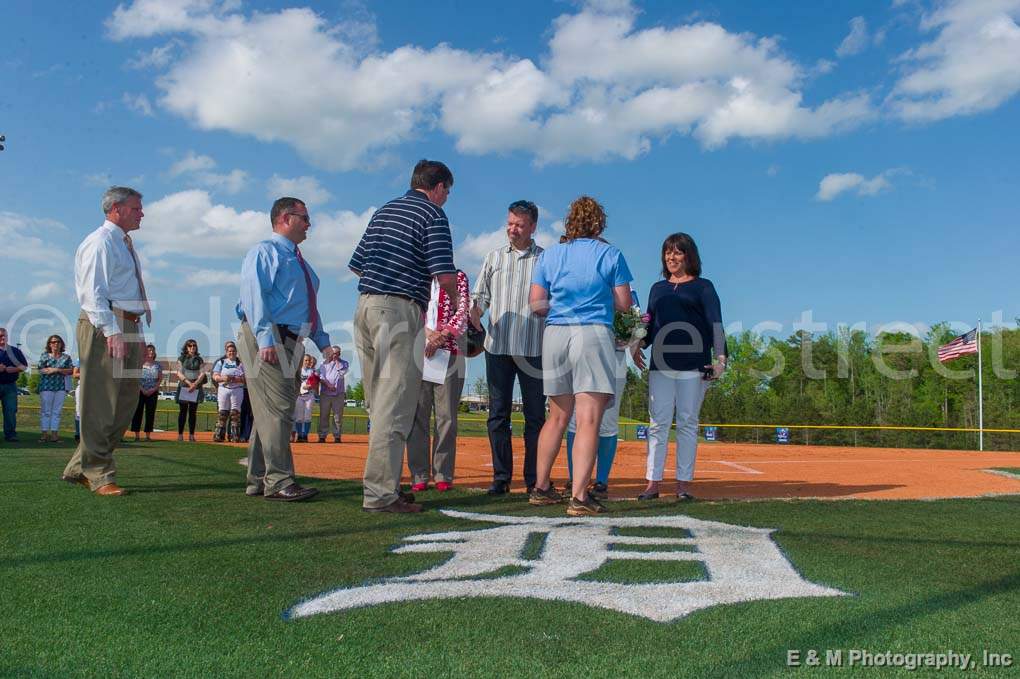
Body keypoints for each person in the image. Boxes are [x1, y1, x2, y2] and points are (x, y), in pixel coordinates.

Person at [348, 159, 459, 513]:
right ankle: (381, 494)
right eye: (447, 192)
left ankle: (387, 483)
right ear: (438, 186)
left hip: (365, 306)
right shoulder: (433, 215)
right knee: (395, 404)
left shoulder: (384, 211)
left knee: (378, 400)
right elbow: (444, 276)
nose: (446, 199)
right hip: (398, 310)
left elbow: (357, 264)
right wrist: (457, 305)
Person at [528, 196, 634, 516]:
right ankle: (579, 497)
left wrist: (562, 306)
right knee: (588, 418)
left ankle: (541, 487)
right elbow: (625, 304)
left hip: (556, 333)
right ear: (599, 223)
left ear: (569, 223)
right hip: (592, 333)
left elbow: (536, 305)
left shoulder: (551, 255)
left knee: (557, 417)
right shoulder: (610, 254)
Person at [236, 196, 333, 502]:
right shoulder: (265, 251)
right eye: (304, 218)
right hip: (271, 338)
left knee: (271, 412)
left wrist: (322, 341)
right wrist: (265, 338)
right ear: (285, 219)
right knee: (278, 412)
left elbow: (307, 308)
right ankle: (278, 481)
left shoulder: (302, 264)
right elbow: (253, 297)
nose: (308, 224)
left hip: (291, 340)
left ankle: (258, 478)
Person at [62, 186, 150, 496]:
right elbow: (92, 292)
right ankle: (99, 473)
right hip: (106, 324)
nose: (142, 213)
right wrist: (112, 330)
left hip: (128, 324)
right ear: (116, 209)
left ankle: (79, 466)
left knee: (124, 403)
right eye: (136, 208)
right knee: (101, 403)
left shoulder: (124, 243)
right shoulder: (100, 242)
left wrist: (131, 330)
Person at [635, 232, 726, 501]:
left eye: (677, 252)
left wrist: (720, 361)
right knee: (657, 423)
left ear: (689, 255)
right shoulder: (657, 288)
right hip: (660, 365)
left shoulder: (704, 287)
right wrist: (636, 342)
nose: (671, 257)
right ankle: (652, 482)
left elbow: (716, 324)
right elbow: (649, 326)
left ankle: (683, 484)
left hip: (694, 364)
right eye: (667, 252)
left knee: (687, 422)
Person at [470, 200, 547, 495]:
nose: (513, 230)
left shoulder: (546, 260)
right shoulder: (493, 258)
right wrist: (475, 313)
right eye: (510, 223)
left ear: (533, 227)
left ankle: (533, 479)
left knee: (535, 417)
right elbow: (480, 297)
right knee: (498, 415)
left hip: (533, 348)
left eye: (519, 225)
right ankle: (501, 478)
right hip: (498, 347)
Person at [407, 268, 470, 492]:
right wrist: (428, 334)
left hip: (451, 353)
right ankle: (419, 474)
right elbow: (412, 310)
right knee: (417, 416)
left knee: (447, 418)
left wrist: (442, 335)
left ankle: (443, 473)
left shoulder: (458, 276)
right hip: (419, 352)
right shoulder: (417, 275)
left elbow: (463, 311)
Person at [564, 346, 628, 498]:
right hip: (582, 354)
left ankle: (601, 483)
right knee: (576, 419)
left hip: (615, 356)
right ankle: (575, 479)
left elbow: (637, 326)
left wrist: (631, 338)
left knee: (608, 421)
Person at [37, 335, 74, 442]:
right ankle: (44, 434)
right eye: (53, 342)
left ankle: (54, 435)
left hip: (61, 387)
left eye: (58, 342)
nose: (55, 344)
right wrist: (53, 370)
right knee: (46, 411)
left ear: (61, 344)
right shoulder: (44, 356)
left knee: (57, 412)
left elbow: (71, 370)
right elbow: (41, 370)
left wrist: (56, 369)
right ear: (49, 344)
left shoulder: (66, 357)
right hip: (46, 387)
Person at [212, 340, 245, 443]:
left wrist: (235, 379)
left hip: (237, 389)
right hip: (223, 389)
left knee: (235, 413)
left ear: (236, 352)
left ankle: (234, 436)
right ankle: (219, 435)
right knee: (223, 413)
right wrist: (223, 378)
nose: (232, 353)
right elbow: (215, 376)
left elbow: (246, 379)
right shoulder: (221, 362)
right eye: (229, 351)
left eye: (233, 351)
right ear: (226, 352)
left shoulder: (240, 363)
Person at [0, 328, 28, 442]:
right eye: (0, 336)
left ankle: (10, 434)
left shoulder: (15, 351)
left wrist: (14, 369)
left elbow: (24, 366)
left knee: (10, 411)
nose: (2, 338)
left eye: (4, 335)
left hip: (10, 386)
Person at [175, 339, 206, 442]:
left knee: (193, 412)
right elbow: (179, 373)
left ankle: (192, 435)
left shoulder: (199, 359)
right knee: (183, 412)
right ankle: (180, 435)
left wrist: (195, 384)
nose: (192, 347)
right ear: (186, 347)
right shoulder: (181, 358)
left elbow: (202, 373)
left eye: (194, 346)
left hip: (195, 388)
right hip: (184, 387)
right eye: (190, 346)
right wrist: (189, 384)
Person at [130, 344, 162, 442]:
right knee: (138, 413)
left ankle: (148, 435)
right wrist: (142, 389)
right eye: (149, 350)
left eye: (152, 350)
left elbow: (160, 379)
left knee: (150, 413)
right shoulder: (139, 364)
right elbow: (135, 379)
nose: (151, 352)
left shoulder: (158, 365)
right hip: (140, 391)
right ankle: (137, 435)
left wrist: (153, 389)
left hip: (152, 392)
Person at [317, 345, 349, 443]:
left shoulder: (344, 363)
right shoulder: (323, 364)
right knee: (324, 415)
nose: (335, 355)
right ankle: (322, 436)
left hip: (338, 394)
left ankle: (337, 436)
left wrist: (337, 361)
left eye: (337, 353)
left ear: (340, 354)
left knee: (338, 416)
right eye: (333, 353)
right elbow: (321, 376)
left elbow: (341, 373)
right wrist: (328, 384)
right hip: (325, 393)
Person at [292, 354, 318, 443]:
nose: (307, 362)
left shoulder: (312, 371)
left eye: (308, 360)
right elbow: (294, 382)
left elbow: (315, 383)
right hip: (299, 396)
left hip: (309, 395)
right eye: (305, 360)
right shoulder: (297, 371)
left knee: (307, 417)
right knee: (299, 417)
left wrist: (310, 386)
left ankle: (305, 435)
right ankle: (299, 435)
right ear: (302, 361)